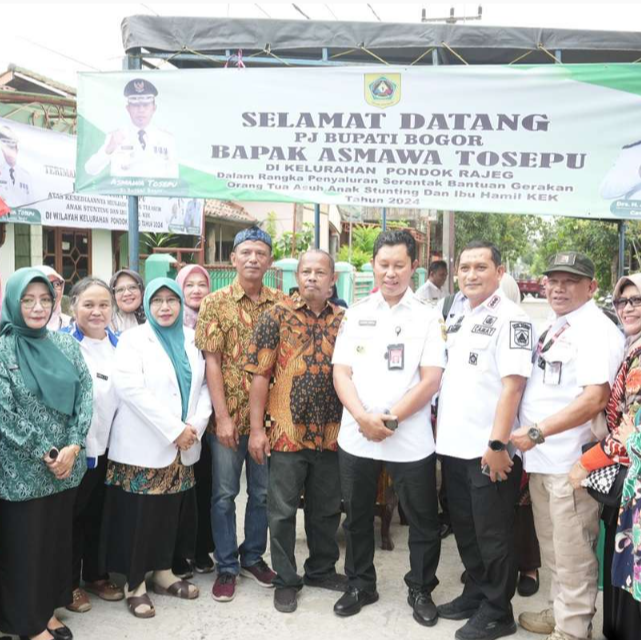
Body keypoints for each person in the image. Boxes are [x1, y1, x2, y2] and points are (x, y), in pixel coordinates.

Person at [332, 230, 445, 626]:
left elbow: (431, 379)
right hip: (357, 434)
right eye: (384, 264)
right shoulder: (356, 312)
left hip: (409, 437)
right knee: (356, 515)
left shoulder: (428, 316)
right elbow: (341, 372)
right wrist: (363, 417)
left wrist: (391, 418)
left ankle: (421, 588)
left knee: (422, 519)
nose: (391, 273)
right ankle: (360, 584)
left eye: (399, 265)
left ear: (413, 266)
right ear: (373, 265)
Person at [513, 252, 625, 641]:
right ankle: (560, 611)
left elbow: (595, 398)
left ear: (591, 287)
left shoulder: (594, 329)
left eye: (571, 281)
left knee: (574, 552)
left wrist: (538, 431)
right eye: (554, 280)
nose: (559, 288)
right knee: (553, 548)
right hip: (543, 460)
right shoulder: (557, 323)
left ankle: (573, 629)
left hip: (570, 464)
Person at [436, 241, 534, 641]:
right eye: (465, 267)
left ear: (500, 272)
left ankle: (497, 611)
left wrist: (497, 446)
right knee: (466, 529)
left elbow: (513, 387)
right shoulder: (459, 312)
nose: (471, 274)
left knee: (493, 535)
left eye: (481, 267)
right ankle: (476, 592)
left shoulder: (513, 319)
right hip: (454, 447)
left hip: (487, 451)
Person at [101, 278, 212, 619]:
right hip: (143, 445)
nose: (165, 307)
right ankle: (135, 585)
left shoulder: (193, 338)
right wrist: (174, 430)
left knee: (170, 512)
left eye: (171, 300)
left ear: (180, 303)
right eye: (157, 301)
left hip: (184, 445)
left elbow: (205, 385)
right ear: (148, 305)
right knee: (140, 517)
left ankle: (164, 572)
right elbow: (131, 389)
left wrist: (195, 426)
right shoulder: (133, 340)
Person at [247, 250, 346, 614]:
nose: (312, 278)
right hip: (286, 432)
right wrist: (256, 430)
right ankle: (287, 579)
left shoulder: (346, 321)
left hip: (332, 433)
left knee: (326, 509)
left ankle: (321, 569)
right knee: (282, 511)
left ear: (332, 280)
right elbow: (260, 375)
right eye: (306, 271)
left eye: (320, 272)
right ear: (297, 276)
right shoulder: (276, 316)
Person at [0, 268, 93, 641]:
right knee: (25, 546)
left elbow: (85, 394)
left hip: (65, 467)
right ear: (14, 302)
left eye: (44, 300)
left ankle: (48, 611)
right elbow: (4, 412)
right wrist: (47, 452)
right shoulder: (3, 349)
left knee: (55, 542)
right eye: (28, 300)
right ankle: (28, 623)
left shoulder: (66, 344)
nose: (38, 308)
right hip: (21, 469)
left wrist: (73, 445)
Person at [195, 226, 286, 602]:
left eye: (260, 253)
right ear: (233, 258)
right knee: (224, 494)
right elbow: (212, 362)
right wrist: (222, 417)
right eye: (246, 252)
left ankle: (252, 557)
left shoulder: (281, 303)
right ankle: (227, 566)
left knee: (263, 494)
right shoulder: (214, 303)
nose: (253, 259)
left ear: (269, 260)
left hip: (267, 421)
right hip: (228, 418)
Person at [567, 273, 641, 640]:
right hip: (630, 483)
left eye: (636, 301)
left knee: (629, 573)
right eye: (622, 301)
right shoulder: (632, 347)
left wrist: (586, 463)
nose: (628, 308)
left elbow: (632, 431)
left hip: (635, 489)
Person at [61, 278, 125, 614]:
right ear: (73, 306)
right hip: (75, 449)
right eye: (88, 304)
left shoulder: (121, 345)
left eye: (103, 305)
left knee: (101, 514)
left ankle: (97, 575)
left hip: (112, 448)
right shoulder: (62, 343)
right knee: (72, 517)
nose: (97, 311)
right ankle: (69, 584)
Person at [173, 264, 215, 577]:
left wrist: (201, 422)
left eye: (202, 284)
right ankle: (177, 552)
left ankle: (201, 549)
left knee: (205, 487)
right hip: (175, 425)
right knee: (177, 491)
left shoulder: (216, 320)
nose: (197, 290)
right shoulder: (167, 322)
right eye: (189, 285)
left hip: (210, 420)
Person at [84, 78, 178, 179]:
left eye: (146, 105)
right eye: (135, 105)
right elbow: (90, 169)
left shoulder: (166, 139)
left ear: (154, 108)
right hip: (124, 189)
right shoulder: (116, 136)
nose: (141, 110)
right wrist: (109, 149)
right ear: (128, 108)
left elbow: (173, 178)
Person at [0, 124, 33, 209]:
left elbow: (31, 204)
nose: (9, 153)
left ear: (16, 149)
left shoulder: (26, 176)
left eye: (11, 148)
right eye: (6, 148)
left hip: (22, 215)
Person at [33, 266, 71, 331]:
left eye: (56, 284)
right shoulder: (22, 328)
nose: (53, 290)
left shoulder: (71, 325)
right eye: (46, 284)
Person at [109, 269, 145, 333]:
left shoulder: (154, 320)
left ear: (141, 291)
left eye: (132, 287)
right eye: (120, 290)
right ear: (113, 296)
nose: (127, 293)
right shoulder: (105, 324)